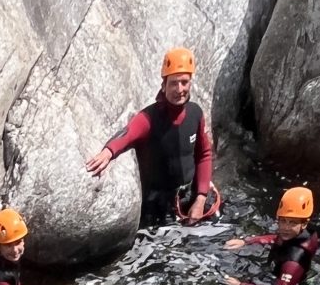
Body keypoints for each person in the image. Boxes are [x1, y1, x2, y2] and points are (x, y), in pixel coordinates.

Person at [85, 48, 223, 227]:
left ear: (190, 83)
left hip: (191, 194)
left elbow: (204, 154)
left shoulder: (195, 113)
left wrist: (201, 198)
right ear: (164, 85)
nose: (179, 89)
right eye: (173, 83)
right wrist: (108, 151)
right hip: (160, 205)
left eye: (184, 82)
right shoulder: (150, 118)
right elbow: (128, 132)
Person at [222, 187, 320, 285]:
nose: (285, 228)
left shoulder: (293, 263)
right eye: (283, 220)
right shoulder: (301, 234)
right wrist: (246, 241)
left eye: (292, 222)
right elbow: (276, 238)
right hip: (289, 274)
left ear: (304, 224)